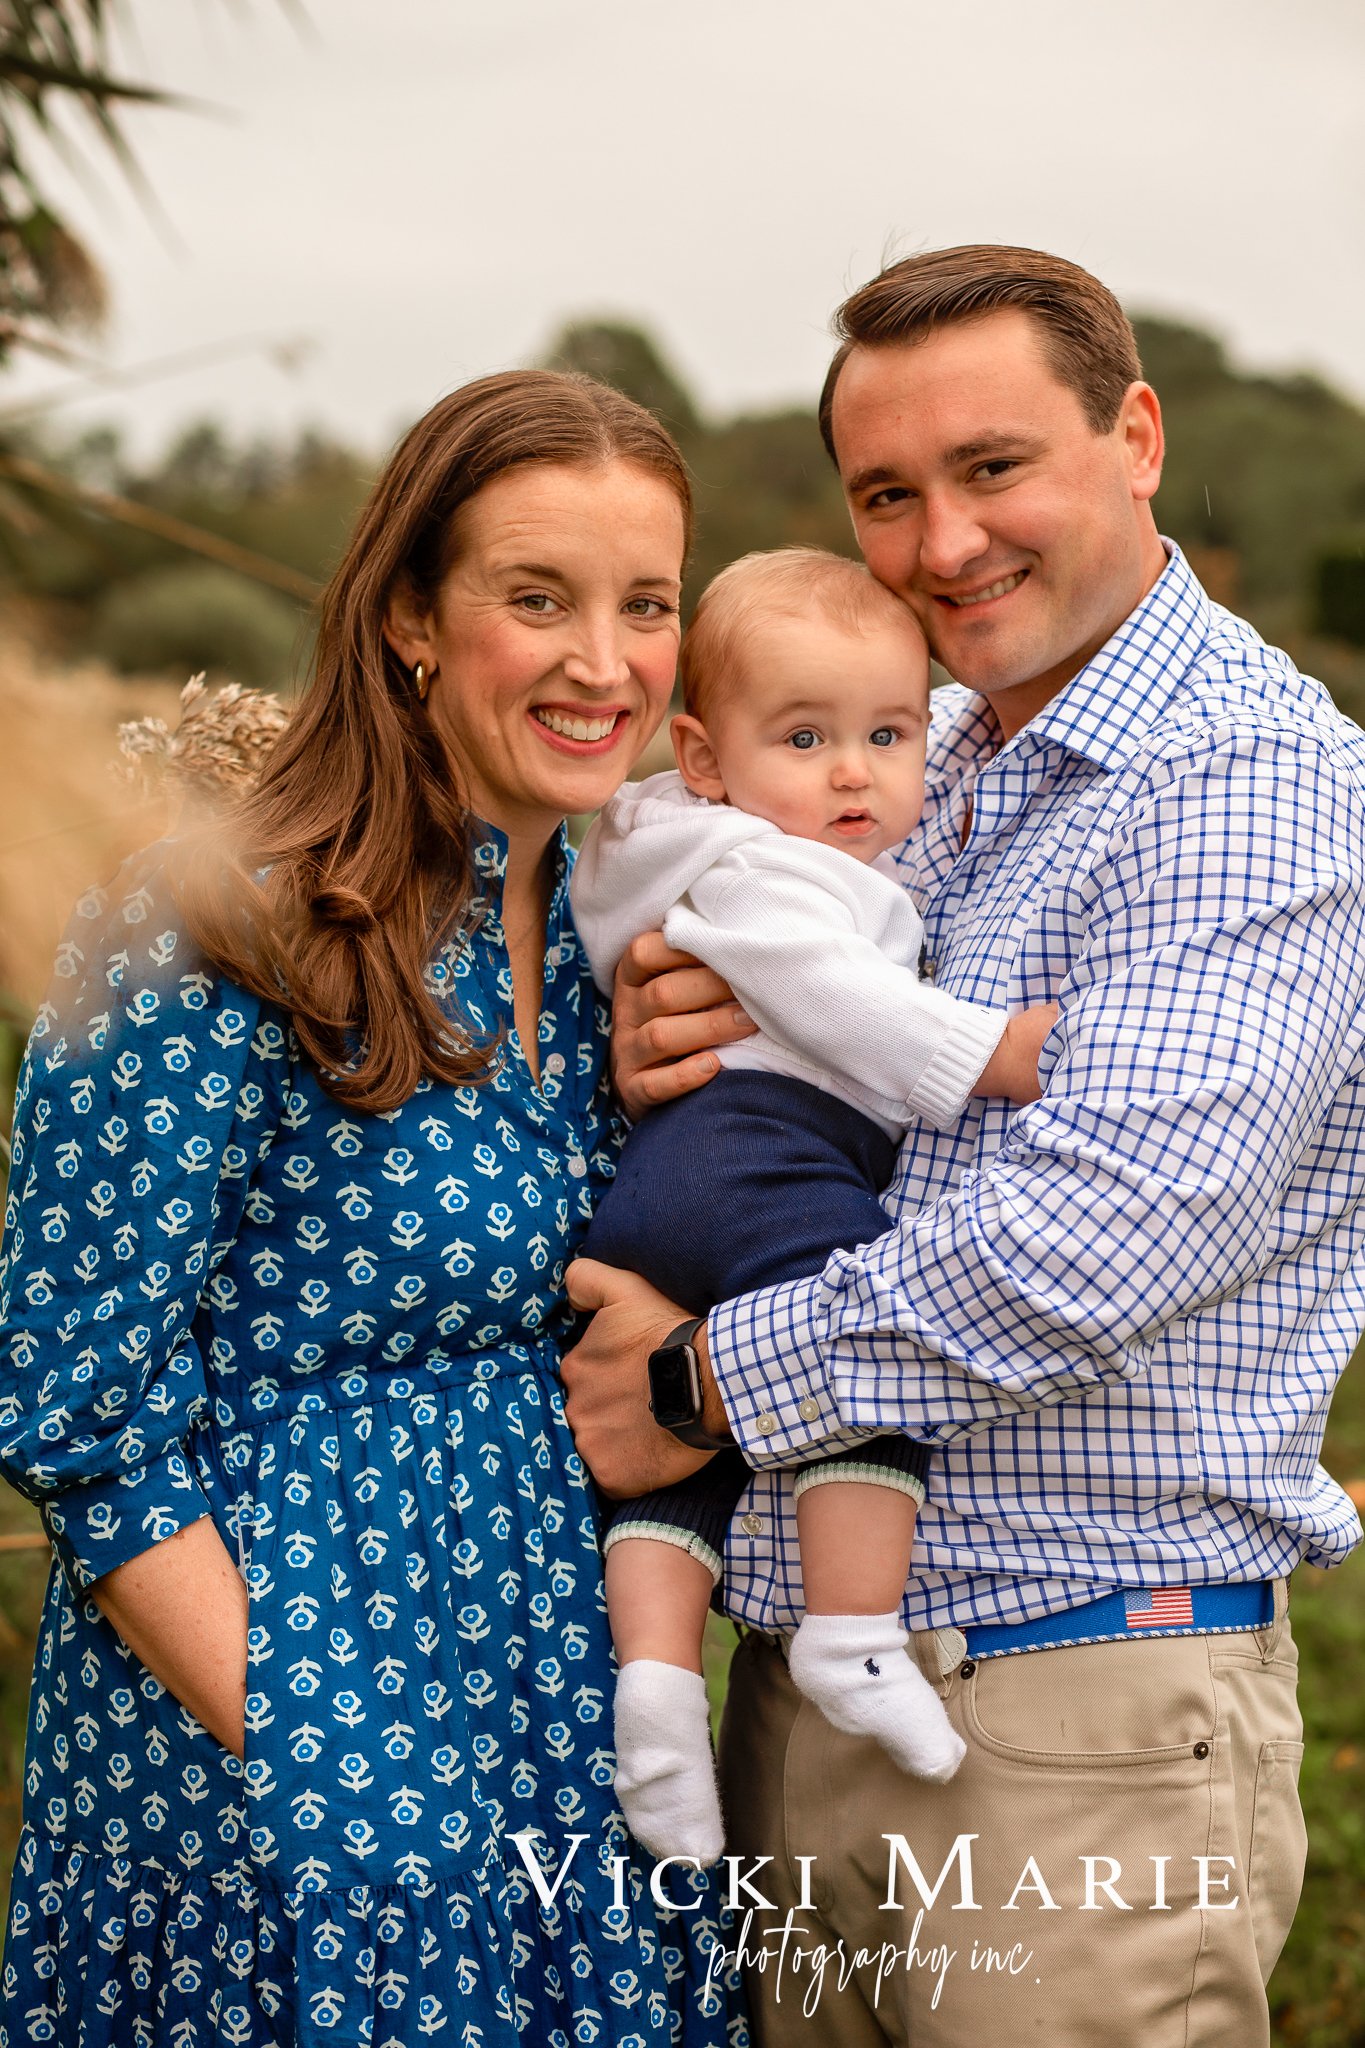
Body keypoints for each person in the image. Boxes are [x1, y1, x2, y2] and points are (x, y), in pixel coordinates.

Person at [561, 246, 1365, 2047]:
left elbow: (1109, 1235)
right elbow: (734, 976)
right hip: (802, 1698)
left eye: (992, 468)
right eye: (884, 496)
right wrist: (665, 1027)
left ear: (1134, 437)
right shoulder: (912, 750)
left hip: (1072, 1708)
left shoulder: (1243, 781)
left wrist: (698, 1382)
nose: (939, 546)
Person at [0, 370, 746, 2047]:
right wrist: (321, 1765)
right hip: (274, 1735)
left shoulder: (636, 947)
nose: (603, 663)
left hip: (563, 1721)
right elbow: (76, 1408)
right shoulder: (214, 917)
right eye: (536, 599)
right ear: (410, 616)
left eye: (645, 606)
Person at [570, 547, 1056, 1862]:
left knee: (697, 1464)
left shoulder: (706, 843)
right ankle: (855, 1630)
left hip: (681, 1177)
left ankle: (656, 1703)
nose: (854, 773)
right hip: (760, 1157)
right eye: (805, 739)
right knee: (867, 1333)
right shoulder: (759, 870)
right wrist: (998, 1051)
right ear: (705, 757)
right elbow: (846, 1005)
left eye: (888, 736)